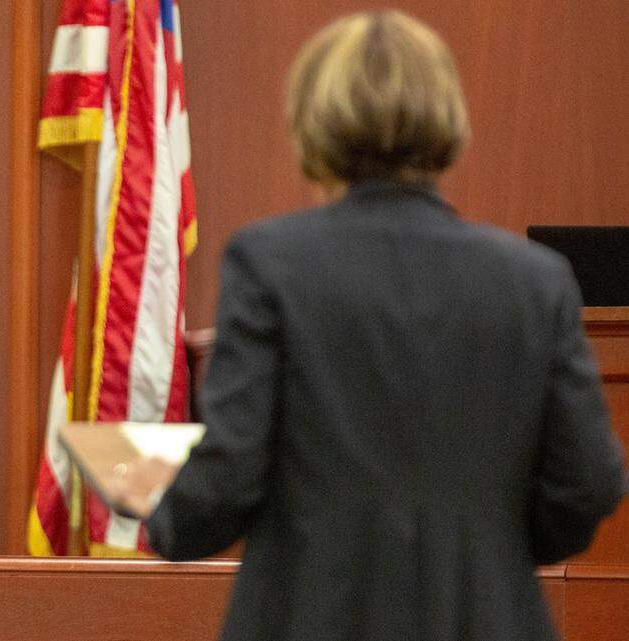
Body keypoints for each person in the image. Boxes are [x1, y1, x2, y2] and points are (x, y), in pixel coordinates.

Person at [113, 10, 625, 641]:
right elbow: (589, 481)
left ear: (313, 122)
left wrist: (151, 503)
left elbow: (228, 479)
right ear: (448, 120)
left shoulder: (271, 265)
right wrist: (495, 551)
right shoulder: (536, 281)